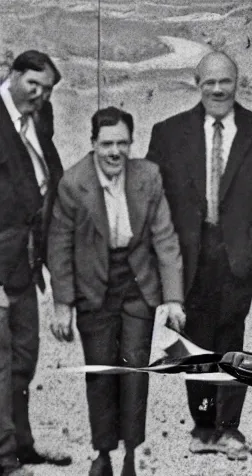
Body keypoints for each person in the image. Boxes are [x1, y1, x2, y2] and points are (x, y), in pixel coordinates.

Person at [146, 51, 252, 461]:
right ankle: (203, 427)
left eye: (225, 80)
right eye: (209, 81)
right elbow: (155, 199)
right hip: (189, 254)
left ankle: (229, 429)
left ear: (237, 82)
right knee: (195, 340)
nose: (218, 89)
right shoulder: (169, 133)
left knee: (229, 337)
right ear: (197, 82)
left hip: (237, 256)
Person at [48, 106, 185, 476]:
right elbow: (59, 246)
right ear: (93, 144)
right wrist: (63, 304)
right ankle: (103, 452)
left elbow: (165, 236)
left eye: (122, 143)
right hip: (94, 288)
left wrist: (173, 298)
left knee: (134, 369)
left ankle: (130, 454)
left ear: (131, 144)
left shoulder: (148, 176)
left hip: (137, 285)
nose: (114, 152)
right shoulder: (73, 184)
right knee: (100, 370)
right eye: (106, 143)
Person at [0, 50, 71, 476]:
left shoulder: (38, 119)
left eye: (46, 90)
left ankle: (21, 445)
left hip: (24, 264)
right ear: (12, 75)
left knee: (24, 356)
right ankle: (3, 458)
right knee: (0, 360)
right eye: (33, 85)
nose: (40, 95)